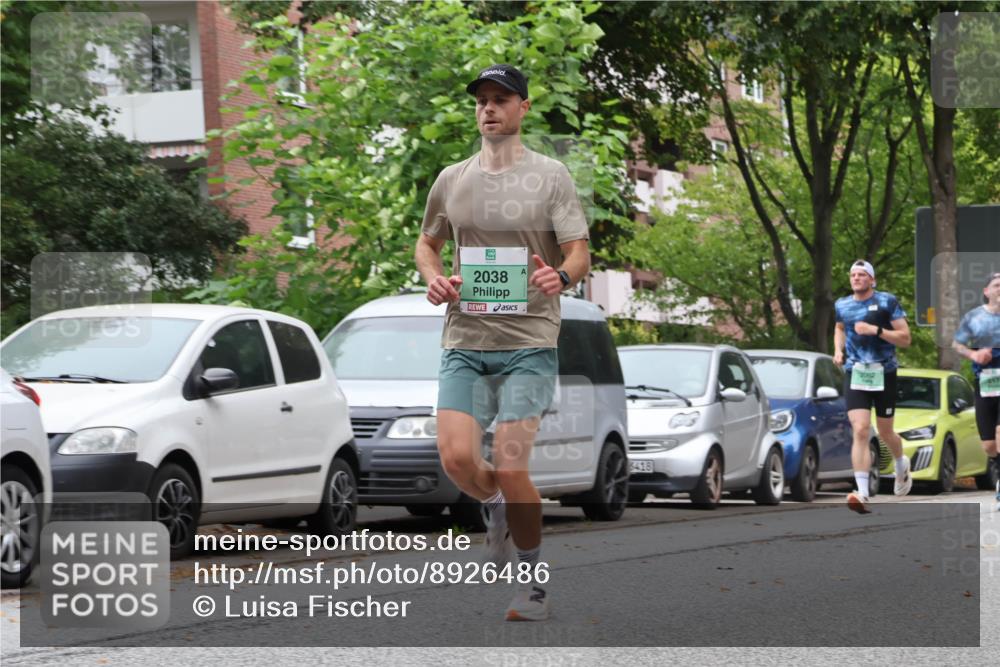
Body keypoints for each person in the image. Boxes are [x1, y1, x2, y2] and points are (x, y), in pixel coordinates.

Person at [414, 64, 590, 621]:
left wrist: (561, 276)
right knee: (457, 459)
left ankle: (532, 586)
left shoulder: (551, 176)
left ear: (523, 108)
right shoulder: (452, 179)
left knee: (511, 467)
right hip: (465, 337)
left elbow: (579, 252)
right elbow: (427, 244)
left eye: (501, 99)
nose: (489, 108)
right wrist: (433, 278)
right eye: (482, 100)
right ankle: (495, 506)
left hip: (529, 340)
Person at [834, 260, 913, 514]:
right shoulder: (842, 305)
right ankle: (862, 492)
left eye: (862, 275)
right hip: (856, 372)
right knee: (860, 429)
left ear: (872, 280)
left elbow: (905, 339)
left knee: (885, 431)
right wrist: (838, 350)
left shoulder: (887, 302)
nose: (856, 278)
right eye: (853, 275)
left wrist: (875, 330)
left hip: (884, 372)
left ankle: (901, 463)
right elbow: (839, 328)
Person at [952, 272, 1000, 509]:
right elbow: (957, 344)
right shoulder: (974, 317)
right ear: (986, 291)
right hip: (986, 383)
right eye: (997, 285)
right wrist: (974, 355)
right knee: (989, 446)